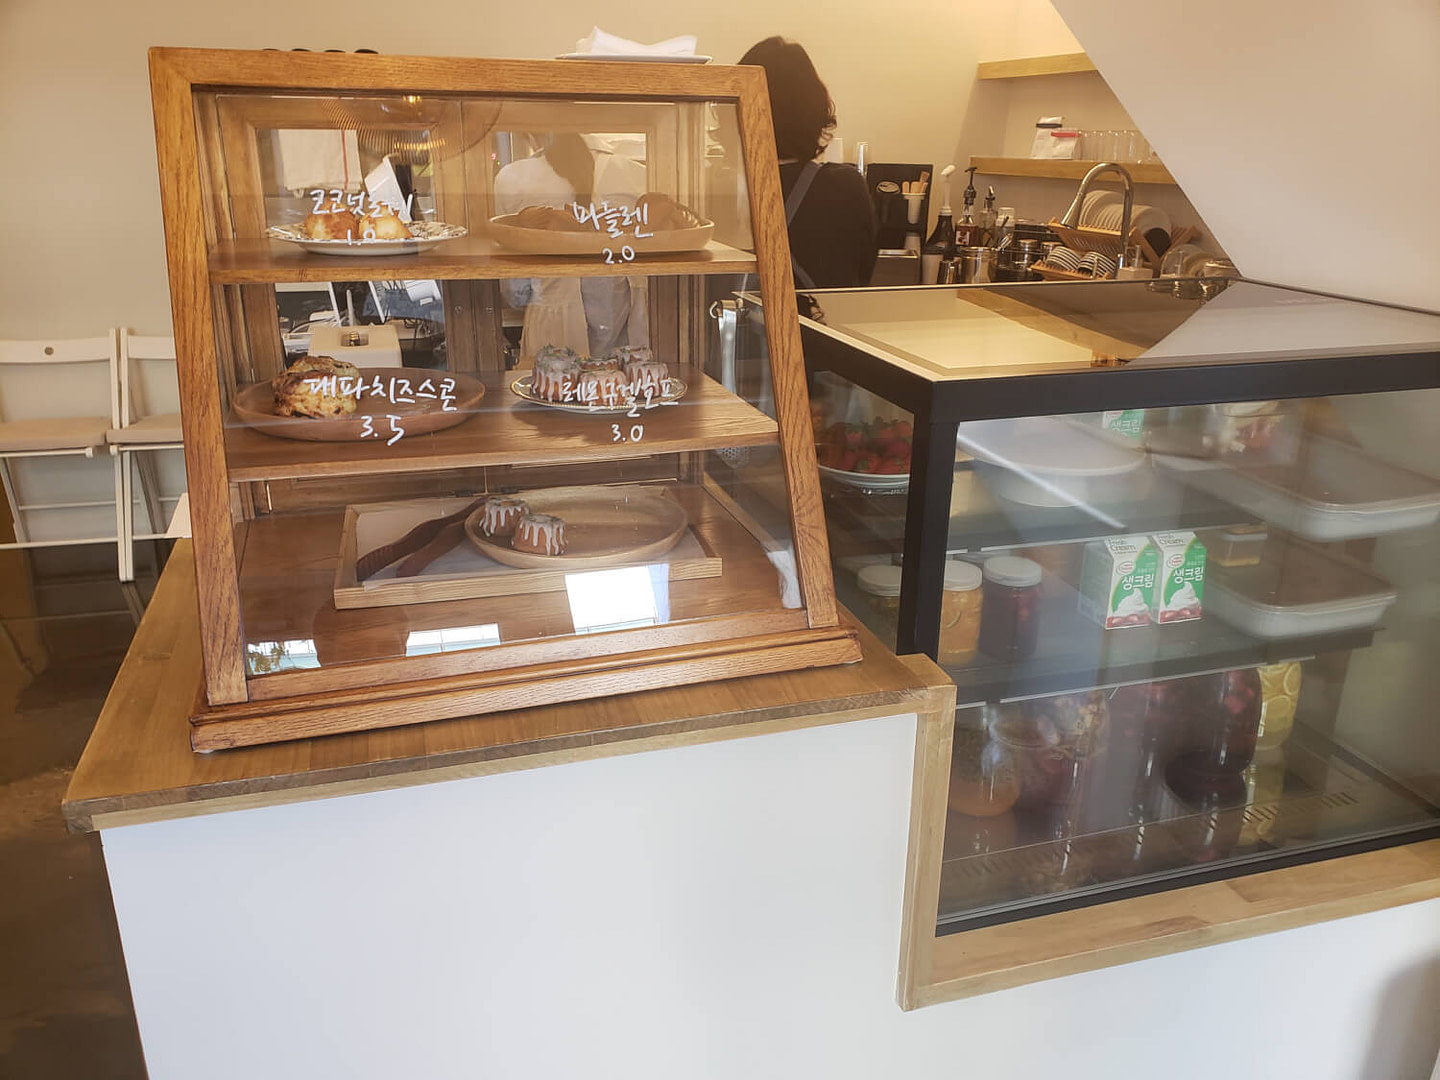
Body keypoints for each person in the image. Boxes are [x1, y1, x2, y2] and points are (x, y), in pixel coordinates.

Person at [494, 132, 650, 361]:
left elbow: (516, 293)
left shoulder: (513, 178)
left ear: (529, 131)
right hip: (626, 338)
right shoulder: (637, 174)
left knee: (552, 382)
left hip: (551, 330)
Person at [738, 37, 878, 290]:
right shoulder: (845, 186)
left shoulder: (720, 188)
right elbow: (862, 274)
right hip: (823, 316)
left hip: (732, 316)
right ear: (815, 108)